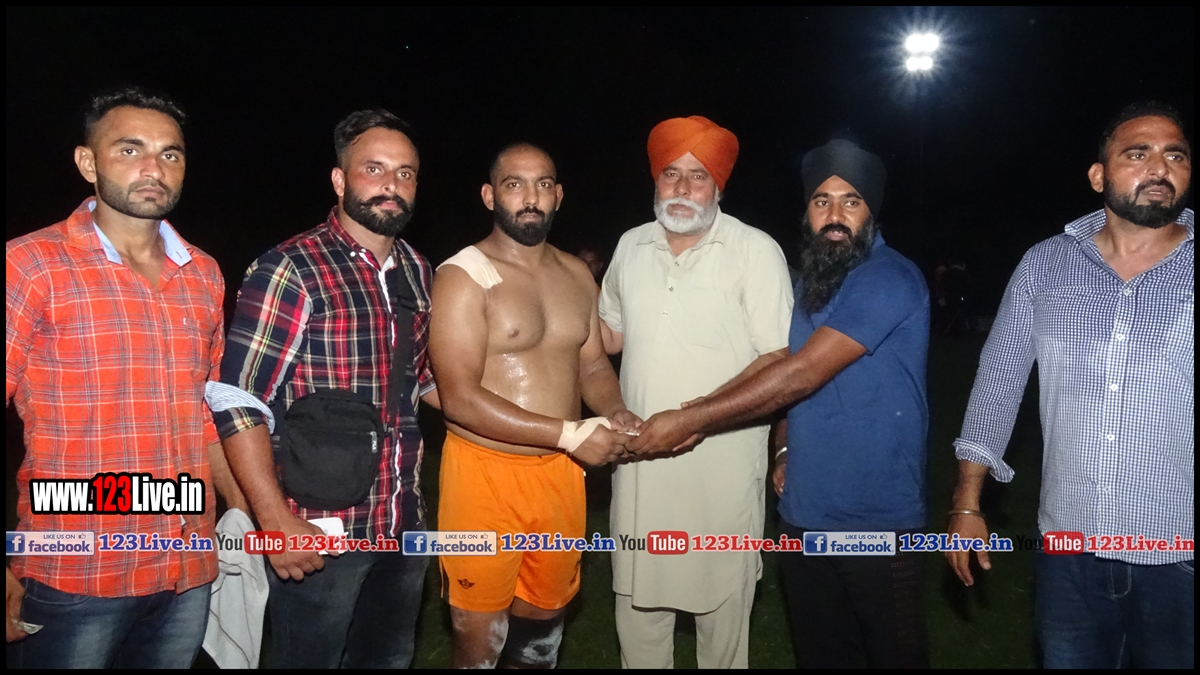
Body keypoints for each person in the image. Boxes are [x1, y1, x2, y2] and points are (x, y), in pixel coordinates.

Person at [630, 138, 931, 668]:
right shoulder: (812, 283)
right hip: (803, 513)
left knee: (894, 658)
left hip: (876, 520)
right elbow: (795, 385)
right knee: (821, 656)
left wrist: (692, 417)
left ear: (872, 211)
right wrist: (785, 449)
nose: (835, 216)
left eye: (851, 201)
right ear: (807, 212)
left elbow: (801, 373)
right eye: (821, 201)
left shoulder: (889, 277)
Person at [946, 101, 1194, 669]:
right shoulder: (1046, 265)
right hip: (1068, 551)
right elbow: (998, 382)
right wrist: (966, 503)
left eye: (1175, 156)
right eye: (1138, 154)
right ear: (1098, 175)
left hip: (1181, 552)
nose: (1160, 168)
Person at [5, 86, 244, 668]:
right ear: (88, 162)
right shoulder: (29, 265)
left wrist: (240, 517)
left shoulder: (204, 274)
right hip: (75, 569)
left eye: (170, 153)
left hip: (187, 567)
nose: (153, 168)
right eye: (130, 149)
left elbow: (207, 414)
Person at [209, 109, 436, 669]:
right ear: (339, 179)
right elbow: (238, 399)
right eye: (374, 169)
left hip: (402, 523)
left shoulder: (418, 270)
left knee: (387, 660)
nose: (391, 185)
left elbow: (424, 382)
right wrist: (274, 521)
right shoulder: (291, 267)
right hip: (317, 530)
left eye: (405, 173)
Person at [430, 142, 638, 668]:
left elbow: (592, 366)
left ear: (558, 196)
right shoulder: (462, 275)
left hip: (561, 476)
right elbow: (459, 398)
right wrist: (570, 433)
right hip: (483, 478)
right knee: (479, 646)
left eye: (543, 184)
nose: (530, 197)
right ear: (489, 195)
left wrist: (616, 410)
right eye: (514, 184)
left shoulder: (577, 275)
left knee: (540, 638)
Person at [597, 116, 793, 669]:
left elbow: (779, 358)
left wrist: (696, 417)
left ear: (719, 186)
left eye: (698, 176)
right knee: (639, 619)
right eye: (670, 174)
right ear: (654, 180)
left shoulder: (755, 250)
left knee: (722, 620)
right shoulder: (631, 245)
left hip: (721, 472)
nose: (682, 188)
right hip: (640, 468)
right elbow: (606, 336)